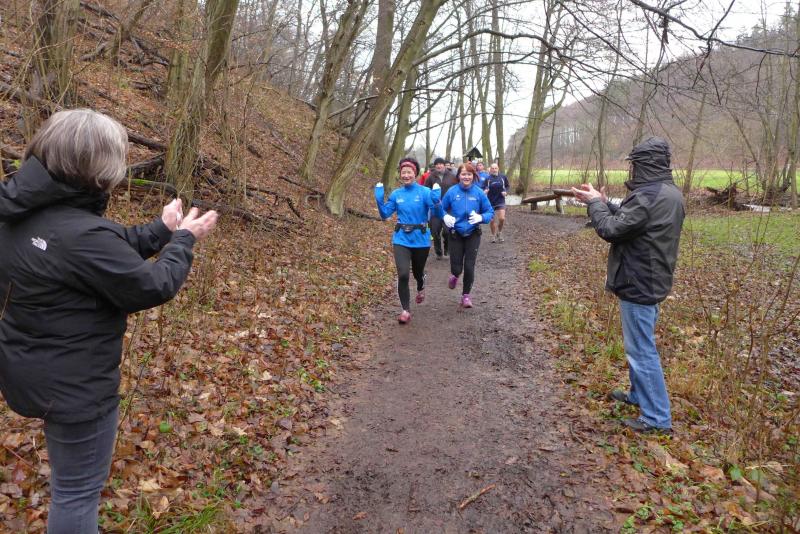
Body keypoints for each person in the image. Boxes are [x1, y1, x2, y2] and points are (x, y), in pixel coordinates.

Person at [0, 109, 218, 533]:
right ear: (99, 168)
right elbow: (153, 284)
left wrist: (159, 230)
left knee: (69, 489)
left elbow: (95, 255)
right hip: (77, 389)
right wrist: (183, 241)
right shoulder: (82, 235)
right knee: (76, 493)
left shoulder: (20, 212)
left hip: (30, 369)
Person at [571, 136, 685, 434]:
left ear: (644, 164)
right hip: (651, 278)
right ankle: (638, 395)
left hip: (639, 282)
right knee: (638, 344)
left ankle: (657, 418)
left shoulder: (649, 196)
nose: (632, 170)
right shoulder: (668, 192)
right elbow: (631, 219)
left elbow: (611, 229)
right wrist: (602, 202)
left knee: (641, 350)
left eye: (635, 165)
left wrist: (595, 204)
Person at [375, 157, 442, 324]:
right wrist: (379, 201)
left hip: (421, 239)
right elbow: (385, 214)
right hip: (401, 238)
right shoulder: (396, 194)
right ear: (400, 174)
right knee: (403, 274)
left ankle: (421, 284)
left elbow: (437, 213)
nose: (406, 175)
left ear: (415, 173)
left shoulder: (425, 192)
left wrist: (436, 201)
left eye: (409, 172)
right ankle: (405, 310)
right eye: (403, 172)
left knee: (418, 272)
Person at [441, 162, 494, 308]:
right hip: (456, 234)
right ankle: (455, 275)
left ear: (473, 176)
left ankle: (466, 296)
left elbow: (490, 212)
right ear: (459, 176)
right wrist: (445, 216)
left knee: (469, 266)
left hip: (473, 233)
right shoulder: (452, 192)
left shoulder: (479, 193)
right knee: (457, 267)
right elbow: (440, 208)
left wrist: (481, 217)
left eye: (469, 174)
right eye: (463, 174)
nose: (466, 177)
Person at [424, 157, 450, 259]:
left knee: (447, 231)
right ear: (435, 166)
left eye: (441, 164)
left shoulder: (452, 177)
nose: (439, 165)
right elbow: (426, 191)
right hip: (434, 209)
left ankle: (447, 249)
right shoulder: (430, 177)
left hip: (448, 209)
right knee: (434, 231)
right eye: (437, 164)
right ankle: (439, 252)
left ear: (444, 165)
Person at [484, 162, 510, 243]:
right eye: (493, 168)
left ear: (498, 169)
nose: (494, 170)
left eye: (496, 168)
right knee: (492, 221)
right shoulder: (487, 178)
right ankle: (493, 235)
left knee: (502, 218)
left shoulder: (503, 177)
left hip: (500, 200)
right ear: (490, 169)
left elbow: (507, 186)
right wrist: (485, 191)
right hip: (490, 202)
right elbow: (484, 187)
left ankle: (499, 232)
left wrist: (505, 192)